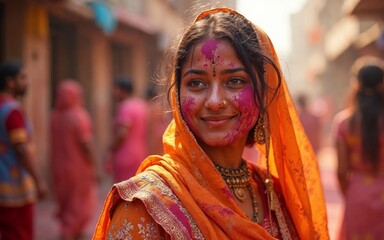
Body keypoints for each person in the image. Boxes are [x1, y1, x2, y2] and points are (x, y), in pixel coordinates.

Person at [94, 8, 329, 239]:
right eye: (196, 83)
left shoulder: (276, 195)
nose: (215, 102)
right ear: (177, 95)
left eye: (235, 81)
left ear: (264, 92)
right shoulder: (145, 208)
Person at [332, 56, 384, 239]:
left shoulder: (344, 123)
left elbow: (341, 172)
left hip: (358, 194)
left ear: (356, 85)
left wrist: (351, 193)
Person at [0, 60, 47, 240]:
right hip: (15, 189)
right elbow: (21, 149)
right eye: (23, 78)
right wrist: (39, 180)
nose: (26, 82)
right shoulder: (12, 111)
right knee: (19, 234)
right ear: (10, 82)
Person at [50, 80, 98, 239]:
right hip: (78, 168)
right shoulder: (79, 116)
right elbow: (86, 145)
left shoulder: (54, 116)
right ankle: (70, 234)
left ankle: (70, 232)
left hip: (59, 168)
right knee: (78, 205)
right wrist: (95, 165)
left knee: (66, 205)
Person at [106, 77, 150, 182]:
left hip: (125, 156)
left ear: (122, 90)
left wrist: (110, 148)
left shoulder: (125, 107)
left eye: (115, 89)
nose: (113, 92)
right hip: (140, 153)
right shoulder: (142, 105)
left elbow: (122, 133)